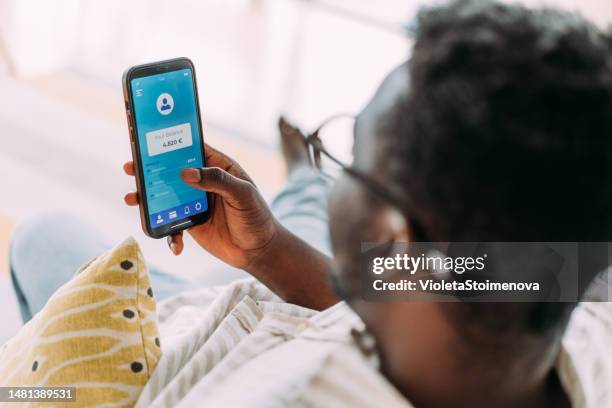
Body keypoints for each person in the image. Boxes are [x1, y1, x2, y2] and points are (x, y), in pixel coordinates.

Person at [9, 0, 612, 406]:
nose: (344, 172)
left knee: (42, 238)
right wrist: (268, 250)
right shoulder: (560, 285)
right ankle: (301, 180)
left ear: (396, 233)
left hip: (180, 345)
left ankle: (302, 178)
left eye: (349, 158)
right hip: (287, 299)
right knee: (297, 212)